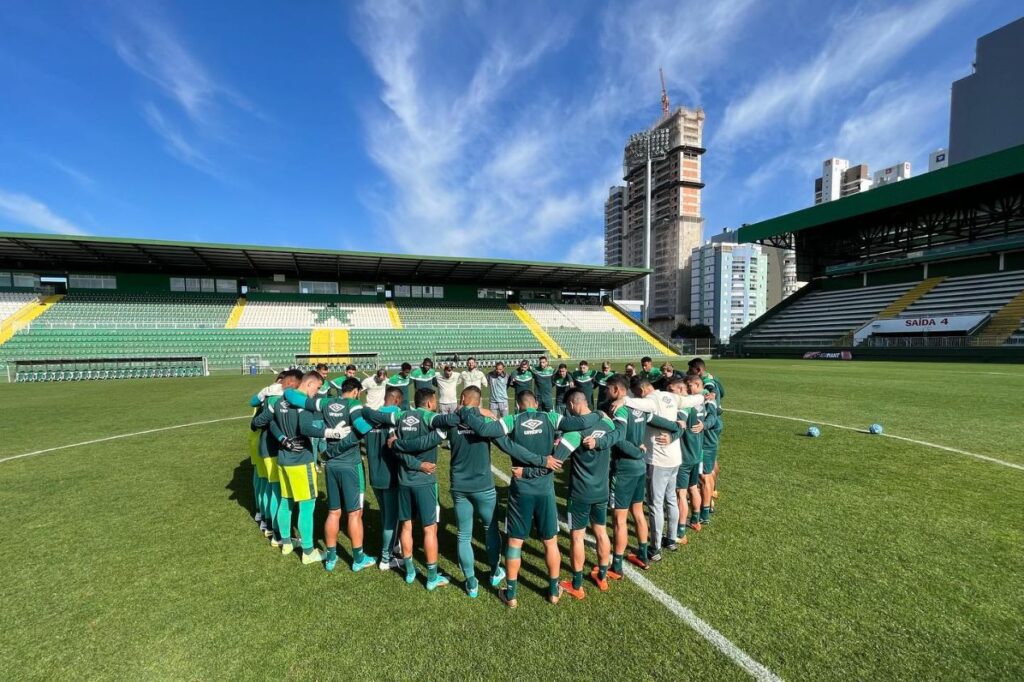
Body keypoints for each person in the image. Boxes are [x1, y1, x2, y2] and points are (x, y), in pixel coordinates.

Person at [461, 390, 603, 608]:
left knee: (515, 542)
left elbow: (484, 429)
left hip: (521, 489)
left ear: (518, 405)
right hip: (545, 489)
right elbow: (580, 422)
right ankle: (554, 590)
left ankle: (512, 594)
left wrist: (470, 410)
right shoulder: (551, 417)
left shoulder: (513, 419)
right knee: (550, 541)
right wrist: (599, 415)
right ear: (536, 403)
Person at [448, 386, 560, 598]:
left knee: (464, 534)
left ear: (462, 399)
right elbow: (509, 446)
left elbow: (428, 438)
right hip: (484, 486)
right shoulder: (488, 423)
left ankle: (471, 583)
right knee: (490, 528)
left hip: (460, 486)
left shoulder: (451, 420)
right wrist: (540, 461)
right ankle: (494, 572)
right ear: (480, 403)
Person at [284, 378, 392, 573]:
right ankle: (358, 558)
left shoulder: (324, 402)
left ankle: (331, 557)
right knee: (354, 513)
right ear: (357, 392)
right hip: (350, 464)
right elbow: (361, 427)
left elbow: (292, 396)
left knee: (333, 512)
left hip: (331, 466)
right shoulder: (353, 404)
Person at [269, 371, 350, 564]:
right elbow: (306, 428)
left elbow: (272, 423)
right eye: (318, 387)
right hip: (300, 460)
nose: (318, 392)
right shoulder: (302, 403)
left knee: (286, 501)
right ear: (308, 384)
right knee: (307, 506)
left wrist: (283, 439)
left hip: (283, 458)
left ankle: (287, 543)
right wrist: (331, 433)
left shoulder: (279, 401)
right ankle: (308, 552)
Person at [603, 375, 680, 570]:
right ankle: (644, 555)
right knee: (638, 512)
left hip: (624, 468)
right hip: (640, 467)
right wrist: (677, 431)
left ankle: (617, 566)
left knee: (619, 518)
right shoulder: (643, 409)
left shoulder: (619, 409)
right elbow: (672, 425)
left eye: (607, 388)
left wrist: (637, 451)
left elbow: (619, 439)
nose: (604, 392)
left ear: (616, 390)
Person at [549, 388, 620, 599]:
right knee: (601, 532)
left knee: (577, 537)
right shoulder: (607, 423)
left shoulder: (574, 433)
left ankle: (577, 584)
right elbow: (617, 434)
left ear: (571, 405)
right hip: (602, 489)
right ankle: (603, 576)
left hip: (580, 492)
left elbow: (557, 459)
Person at [388, 388, 460, 590]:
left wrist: (401, 448)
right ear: (429, 403)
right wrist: (420, 465)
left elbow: (396, 449)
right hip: (425, 481)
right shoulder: (430, 417)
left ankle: (410, 572)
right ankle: (431, 577)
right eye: (435, 400)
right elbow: (450, 421)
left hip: (404, 481)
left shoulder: (401, 417)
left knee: (406, 526)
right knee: (430, 529)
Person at [248, 370, 303, 542]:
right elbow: (258, 422)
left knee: (266, 485)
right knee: (276, 492)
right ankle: (276, 533)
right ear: (292, 383)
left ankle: (266, 522)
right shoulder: (278, 398)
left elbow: (253, 405)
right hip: (272, 448)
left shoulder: (269, 393)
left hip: (264, 445)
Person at [675, 374, 706, 538]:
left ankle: (680, 531)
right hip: (696, 454)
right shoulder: (700, 404)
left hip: (685, 456)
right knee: (693, 488)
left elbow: (680, 425)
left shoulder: (685, 408)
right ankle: (695, 519)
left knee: (681, 493)